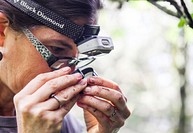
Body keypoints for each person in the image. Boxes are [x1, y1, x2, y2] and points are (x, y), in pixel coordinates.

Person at [0, 0, 131, 133]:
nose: (68, 72)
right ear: (2, 33)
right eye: (57, 49)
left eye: (76, 58)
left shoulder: (57, 121)